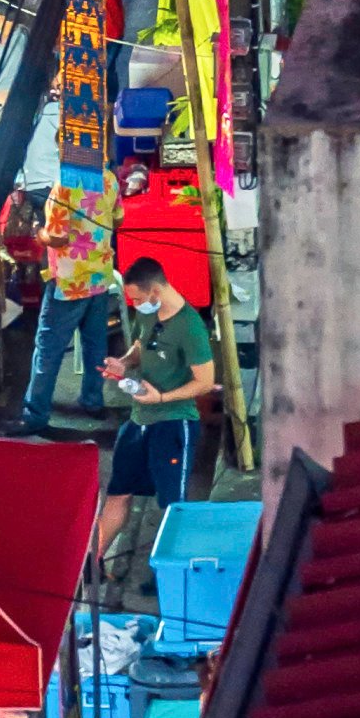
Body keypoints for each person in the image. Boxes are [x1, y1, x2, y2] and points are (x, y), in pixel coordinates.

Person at [96, 254, 221, 574]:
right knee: (117, 493)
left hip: (174, 423)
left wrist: (162, 396)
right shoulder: (148, 313)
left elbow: (205, 382)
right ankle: (91, 562)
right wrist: (124, 363)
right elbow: (140, 345)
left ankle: (172, 574)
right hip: (139, 419)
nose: (134, 304)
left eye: (138, 298)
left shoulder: (190, 328)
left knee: (172, 507)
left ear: (155, 292)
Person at [23, 170, 121, 432]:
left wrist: (39, 233)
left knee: (48, 348)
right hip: (99, 275)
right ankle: (93, 401)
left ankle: (35, 414)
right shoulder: (108, 178)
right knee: (95, 345)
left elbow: (58, 237)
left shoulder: (65, 185)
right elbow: (118, 218)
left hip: (69, 281)